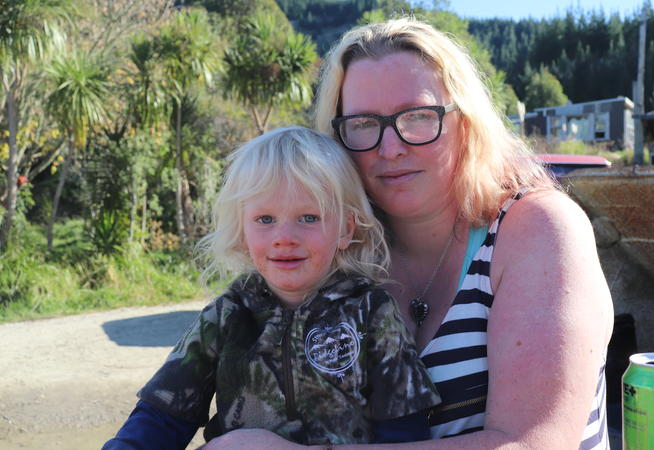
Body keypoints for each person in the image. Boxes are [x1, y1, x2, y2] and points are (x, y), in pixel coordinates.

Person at [202, 17, 614, 450]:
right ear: (336, 136)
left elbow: (536, 444)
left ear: (466, 122)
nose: (391, 147)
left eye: (418, 116)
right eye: (362, 123)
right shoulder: (341, 246)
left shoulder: (538, 229)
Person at [103, 126, 441, 449]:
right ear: (242, 232)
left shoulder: (371, 312)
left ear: (345, 229)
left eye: (309, 217)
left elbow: (405, 426)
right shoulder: (225, 316)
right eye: (265, 220)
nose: (284, 238)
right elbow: (162, 415)